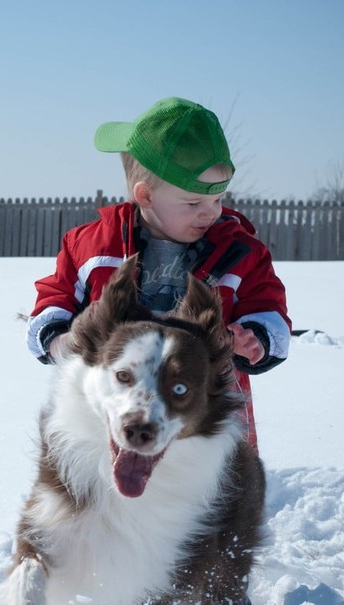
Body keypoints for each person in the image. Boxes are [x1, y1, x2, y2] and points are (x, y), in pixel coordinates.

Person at [25, 97, 291, 449]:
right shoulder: (91, 247)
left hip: (206, 415)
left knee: (211, 496)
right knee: (112, 491)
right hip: (117, 409)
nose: (210, 213)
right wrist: (60, 340)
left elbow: (270, 310)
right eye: (193, 203)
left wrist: (256, 340)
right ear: (146, 196)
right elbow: (52, 301)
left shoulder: (241, 253)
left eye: (218, 199)